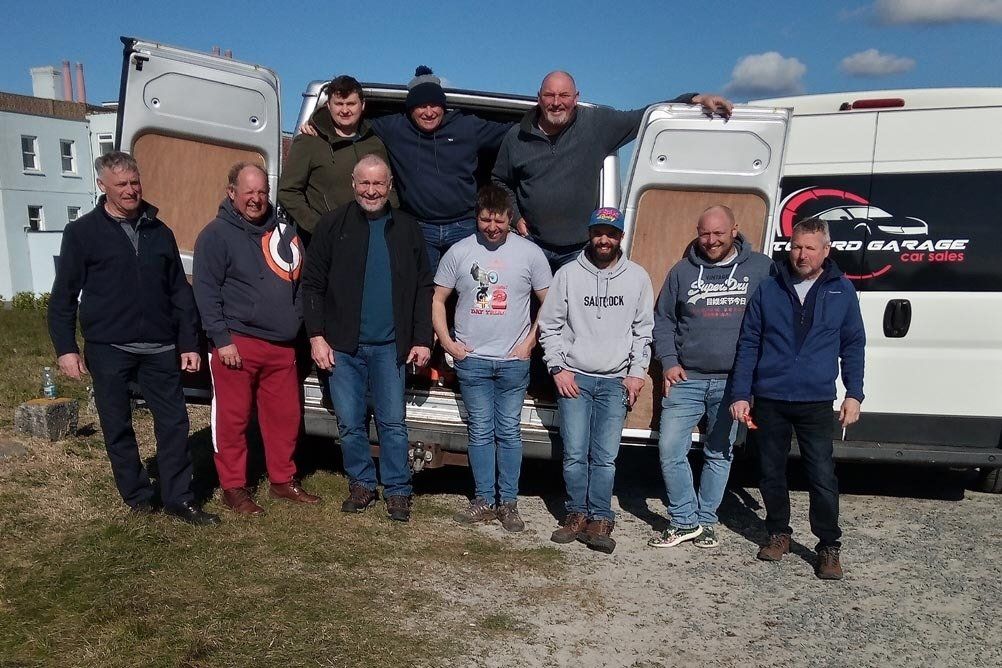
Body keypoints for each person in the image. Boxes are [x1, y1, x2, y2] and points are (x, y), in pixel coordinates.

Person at [47, 151, 219, 526]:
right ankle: (139, 496)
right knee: (118, 424)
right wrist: (66, 348)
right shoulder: (83, 233)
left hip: (160, 347)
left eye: (134, 182)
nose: (130, 190)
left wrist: (189, 343)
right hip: (109, 348)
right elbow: (63, 296)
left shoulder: (160, 231)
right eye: (121, 184)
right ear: (102, 186)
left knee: (174, 424)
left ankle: (179, 498)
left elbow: (179, 293)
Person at [730, 217, 865, 580]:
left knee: (822, 474)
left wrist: (854, 393)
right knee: (770, 471)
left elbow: (853, 344)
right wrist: (742, 392)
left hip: (816, 400)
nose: (801, 254)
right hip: (771, 397)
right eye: (795, 247)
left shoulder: (842, 291)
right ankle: (778, 532)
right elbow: (749, 342)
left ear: (826, 250)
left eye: (809, 248)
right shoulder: (769, 287)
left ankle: (828, 546)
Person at [302, 154, 433, 522]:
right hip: (342, 346)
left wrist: (422, 338)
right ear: (353, 185)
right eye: (364, 183)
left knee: (393, 422)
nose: (371, 190)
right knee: (349, 421)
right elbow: (311, 285)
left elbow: (424, 286)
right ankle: (361, 484)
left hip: (391, 347)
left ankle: (397, 490)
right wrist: (316, 336)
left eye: (378, 184)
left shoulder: (407, 228)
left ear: (389, 186)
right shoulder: (332, 225)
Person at [492, 71, 732, 269]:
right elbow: (499, 181)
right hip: (533, 245)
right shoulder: (517, 137)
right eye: (549, 95)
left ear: (576, 97)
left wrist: (694, 99)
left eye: (564, 95)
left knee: (579, 320)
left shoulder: (597, 124)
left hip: (581, 251)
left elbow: (645, 117)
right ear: (539, 98)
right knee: (534, 317)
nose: (556, 102)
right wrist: (514, 215)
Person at [192, 162, 320, 516]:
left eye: (262, 192)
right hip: (237, 344)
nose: (256, 199)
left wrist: (297, 325)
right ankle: (234, 487)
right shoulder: (215, 235)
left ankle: (282, 480)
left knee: (285, 417)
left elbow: (300, 285)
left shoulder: (285, 234)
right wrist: (221, 338)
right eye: (248, 192)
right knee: (232, 420)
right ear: (231, 192)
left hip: (282, 347)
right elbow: (205, 292)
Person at [647, 205, 773, 550]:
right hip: (686, 378)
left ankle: (705, 522)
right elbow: (664, 321)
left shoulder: (761, 269)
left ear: (735, 229)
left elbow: (775, 315)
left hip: (733, 382)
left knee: (719, 453)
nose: (711, 240)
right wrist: (669, 361)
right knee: (670, 449)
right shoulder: (681, 272)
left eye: (719, 233)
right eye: (705, 233)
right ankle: (684, 519)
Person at [302, 67, 512, 271]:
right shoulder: (395, 128)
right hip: (420, 228)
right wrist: (316, 122)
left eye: (434, 105)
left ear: (443, 107)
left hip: (464, 227)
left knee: (470, 289)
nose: (428, 112)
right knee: (423, 291)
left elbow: (512, 132)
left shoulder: (467, 127)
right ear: (411, 108)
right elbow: (351, 119)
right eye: (421, 106)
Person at [432, 184, 551, 531]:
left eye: (499, 221)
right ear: (477, 217)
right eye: (486, 220)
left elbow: (550, 301)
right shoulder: (459, 252)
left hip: (514, 361)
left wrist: (530, 343)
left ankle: (509, 503)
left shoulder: (530, 254)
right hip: (473, 361)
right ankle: (484, 499)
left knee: (509, 432)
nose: (492, 227)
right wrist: (449, 344)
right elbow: (438, 299)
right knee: (481, 431)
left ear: (510, 218)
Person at [538, 208, 654, 554]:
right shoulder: (569, 274)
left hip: (615, 380)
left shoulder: (637, 277)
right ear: (590, 234)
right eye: (598, 232)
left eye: (611, 233)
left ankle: (601, 518)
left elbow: (643, 331)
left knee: (604, 456)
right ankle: (576, 513)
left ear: (621, 236)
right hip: (576, 378)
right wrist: (558, 368)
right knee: (574, 453)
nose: (604, 240)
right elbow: (550, 325)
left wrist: (636, 374)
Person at [277, 75, 395, 245]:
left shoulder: (375, 143)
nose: (345, 110)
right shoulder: (310, 141)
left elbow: (389, 189)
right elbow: (288, 191)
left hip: (370, 237)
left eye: (351, 104)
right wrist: (319, 226)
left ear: (362, 105)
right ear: (328, 106)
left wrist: (387, 224)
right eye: (339, 104)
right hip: (325, 241)